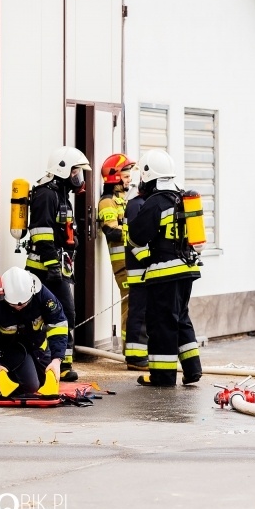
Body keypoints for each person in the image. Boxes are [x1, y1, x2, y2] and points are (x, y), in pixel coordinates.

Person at [127, 149, 203, 387]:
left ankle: (162, 376)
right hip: (187, 270)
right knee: (181, 318)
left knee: (162, 324)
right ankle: (192, 369)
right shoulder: (181, 198)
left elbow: (138, 235)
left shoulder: (155, 202)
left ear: (149, 175)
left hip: (165, 273)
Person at [25, 146, 92, 382]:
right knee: (51, 315)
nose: (78, 177)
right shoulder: (46, 194)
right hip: (43, 270)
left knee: (65, 315)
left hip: (58, 269)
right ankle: (48, 362)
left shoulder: (62, 194)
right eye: (76, 172)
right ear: (62, 170)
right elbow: (41, 232)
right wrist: (53, 265)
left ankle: (62, 364)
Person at [0, 267, 68, 395]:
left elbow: (58, 325)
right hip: (9, 350)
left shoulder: (43, 296)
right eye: (13, 304)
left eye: (23, 304)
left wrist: (56, 360)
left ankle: (4, 373)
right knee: (31, 387)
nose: (19, 307)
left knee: (47, 383)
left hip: (37, 346)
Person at [97, 153, 146, 371]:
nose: (129, 180)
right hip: (123, 265)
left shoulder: (121, 201)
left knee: (135, 305)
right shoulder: (107, 202)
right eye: (125, 176)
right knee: (130, 307)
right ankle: (131, 352)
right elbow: (110, 231)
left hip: (131, 262)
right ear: (114, 177)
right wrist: (135, 231)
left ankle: (135, 350)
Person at [122, 177, 150, 371]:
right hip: (140, 270)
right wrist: (150, 260)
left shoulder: (139, 204)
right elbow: (135, 240)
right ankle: (135, 357)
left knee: (143, 312)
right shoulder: (135, 206)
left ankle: (138, 354)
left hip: (142, 268)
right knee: (139, 313)